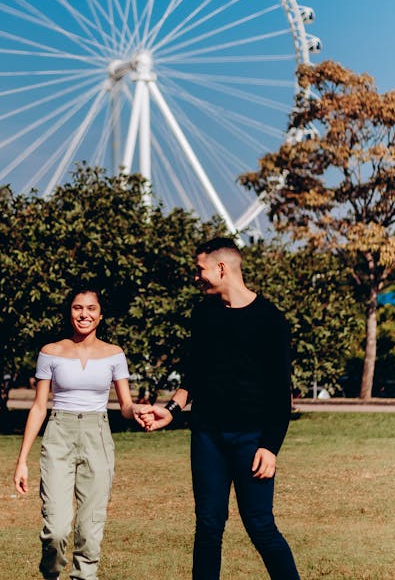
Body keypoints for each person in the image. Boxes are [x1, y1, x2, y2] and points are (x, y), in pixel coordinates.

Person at [142, 237, 301, 580]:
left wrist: (270, 447)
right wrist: (171, 408)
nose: (196, 277)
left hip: (252, 439)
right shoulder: (203, 314)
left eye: (200, 270)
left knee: (260, 525)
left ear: (222, 268)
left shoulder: (269, 319)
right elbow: (193, 375)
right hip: (207, 437)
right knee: (209, 526)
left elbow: (279, 391)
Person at [13, 286, 149, 580]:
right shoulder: (51, 352)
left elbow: (124, 405)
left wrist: (136, 410)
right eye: (78, 308)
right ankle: (51, 574)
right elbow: (38, 407)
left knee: (90, 528)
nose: (84, 314)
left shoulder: (114, 354)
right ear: (70, 311)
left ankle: (84, 577)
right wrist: (22, 460)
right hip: (59, 433)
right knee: (56, 528)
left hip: (97, 435)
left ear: (100, 316)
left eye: (91, 309)